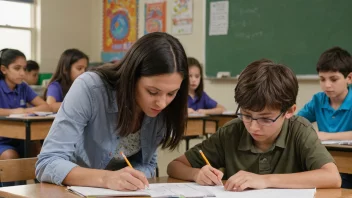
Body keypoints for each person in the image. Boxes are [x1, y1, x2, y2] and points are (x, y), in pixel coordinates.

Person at [36, 32, 189, 191]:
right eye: (152, 91)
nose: (162, 103)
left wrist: (134, 179)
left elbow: (147, 163)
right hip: (71, 191)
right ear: (132, 77)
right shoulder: (90, 88)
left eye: (171, 93)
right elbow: (48, 162)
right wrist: (107, 178)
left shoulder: (166, 107)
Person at [167, 59, 341, 191]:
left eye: (266, 119)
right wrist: (196, 174)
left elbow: (332, 177)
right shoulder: (231, 132)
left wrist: (265, 180)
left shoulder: (299, 131)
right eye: (247, 115)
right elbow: (175, 166)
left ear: (289, 111)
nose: (254, 127)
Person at [297, 46, 352, 188]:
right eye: (322, 79)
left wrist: (325, 136)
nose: (327, 85)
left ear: (349, 78)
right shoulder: (318, 100)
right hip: (325, 162)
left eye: (333, 79)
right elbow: (296, 122)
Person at [0, 48, 51, 186]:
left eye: (24, 68)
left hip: (22, 139)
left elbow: (45, 107)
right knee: (9, 156)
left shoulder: (23, 87)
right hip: (2, 141)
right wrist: (17, 111)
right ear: (4, 69)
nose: (22, 73)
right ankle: (6, 194)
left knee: (40, 153)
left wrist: (27, 110)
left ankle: (40, 191)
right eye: (17, 68)